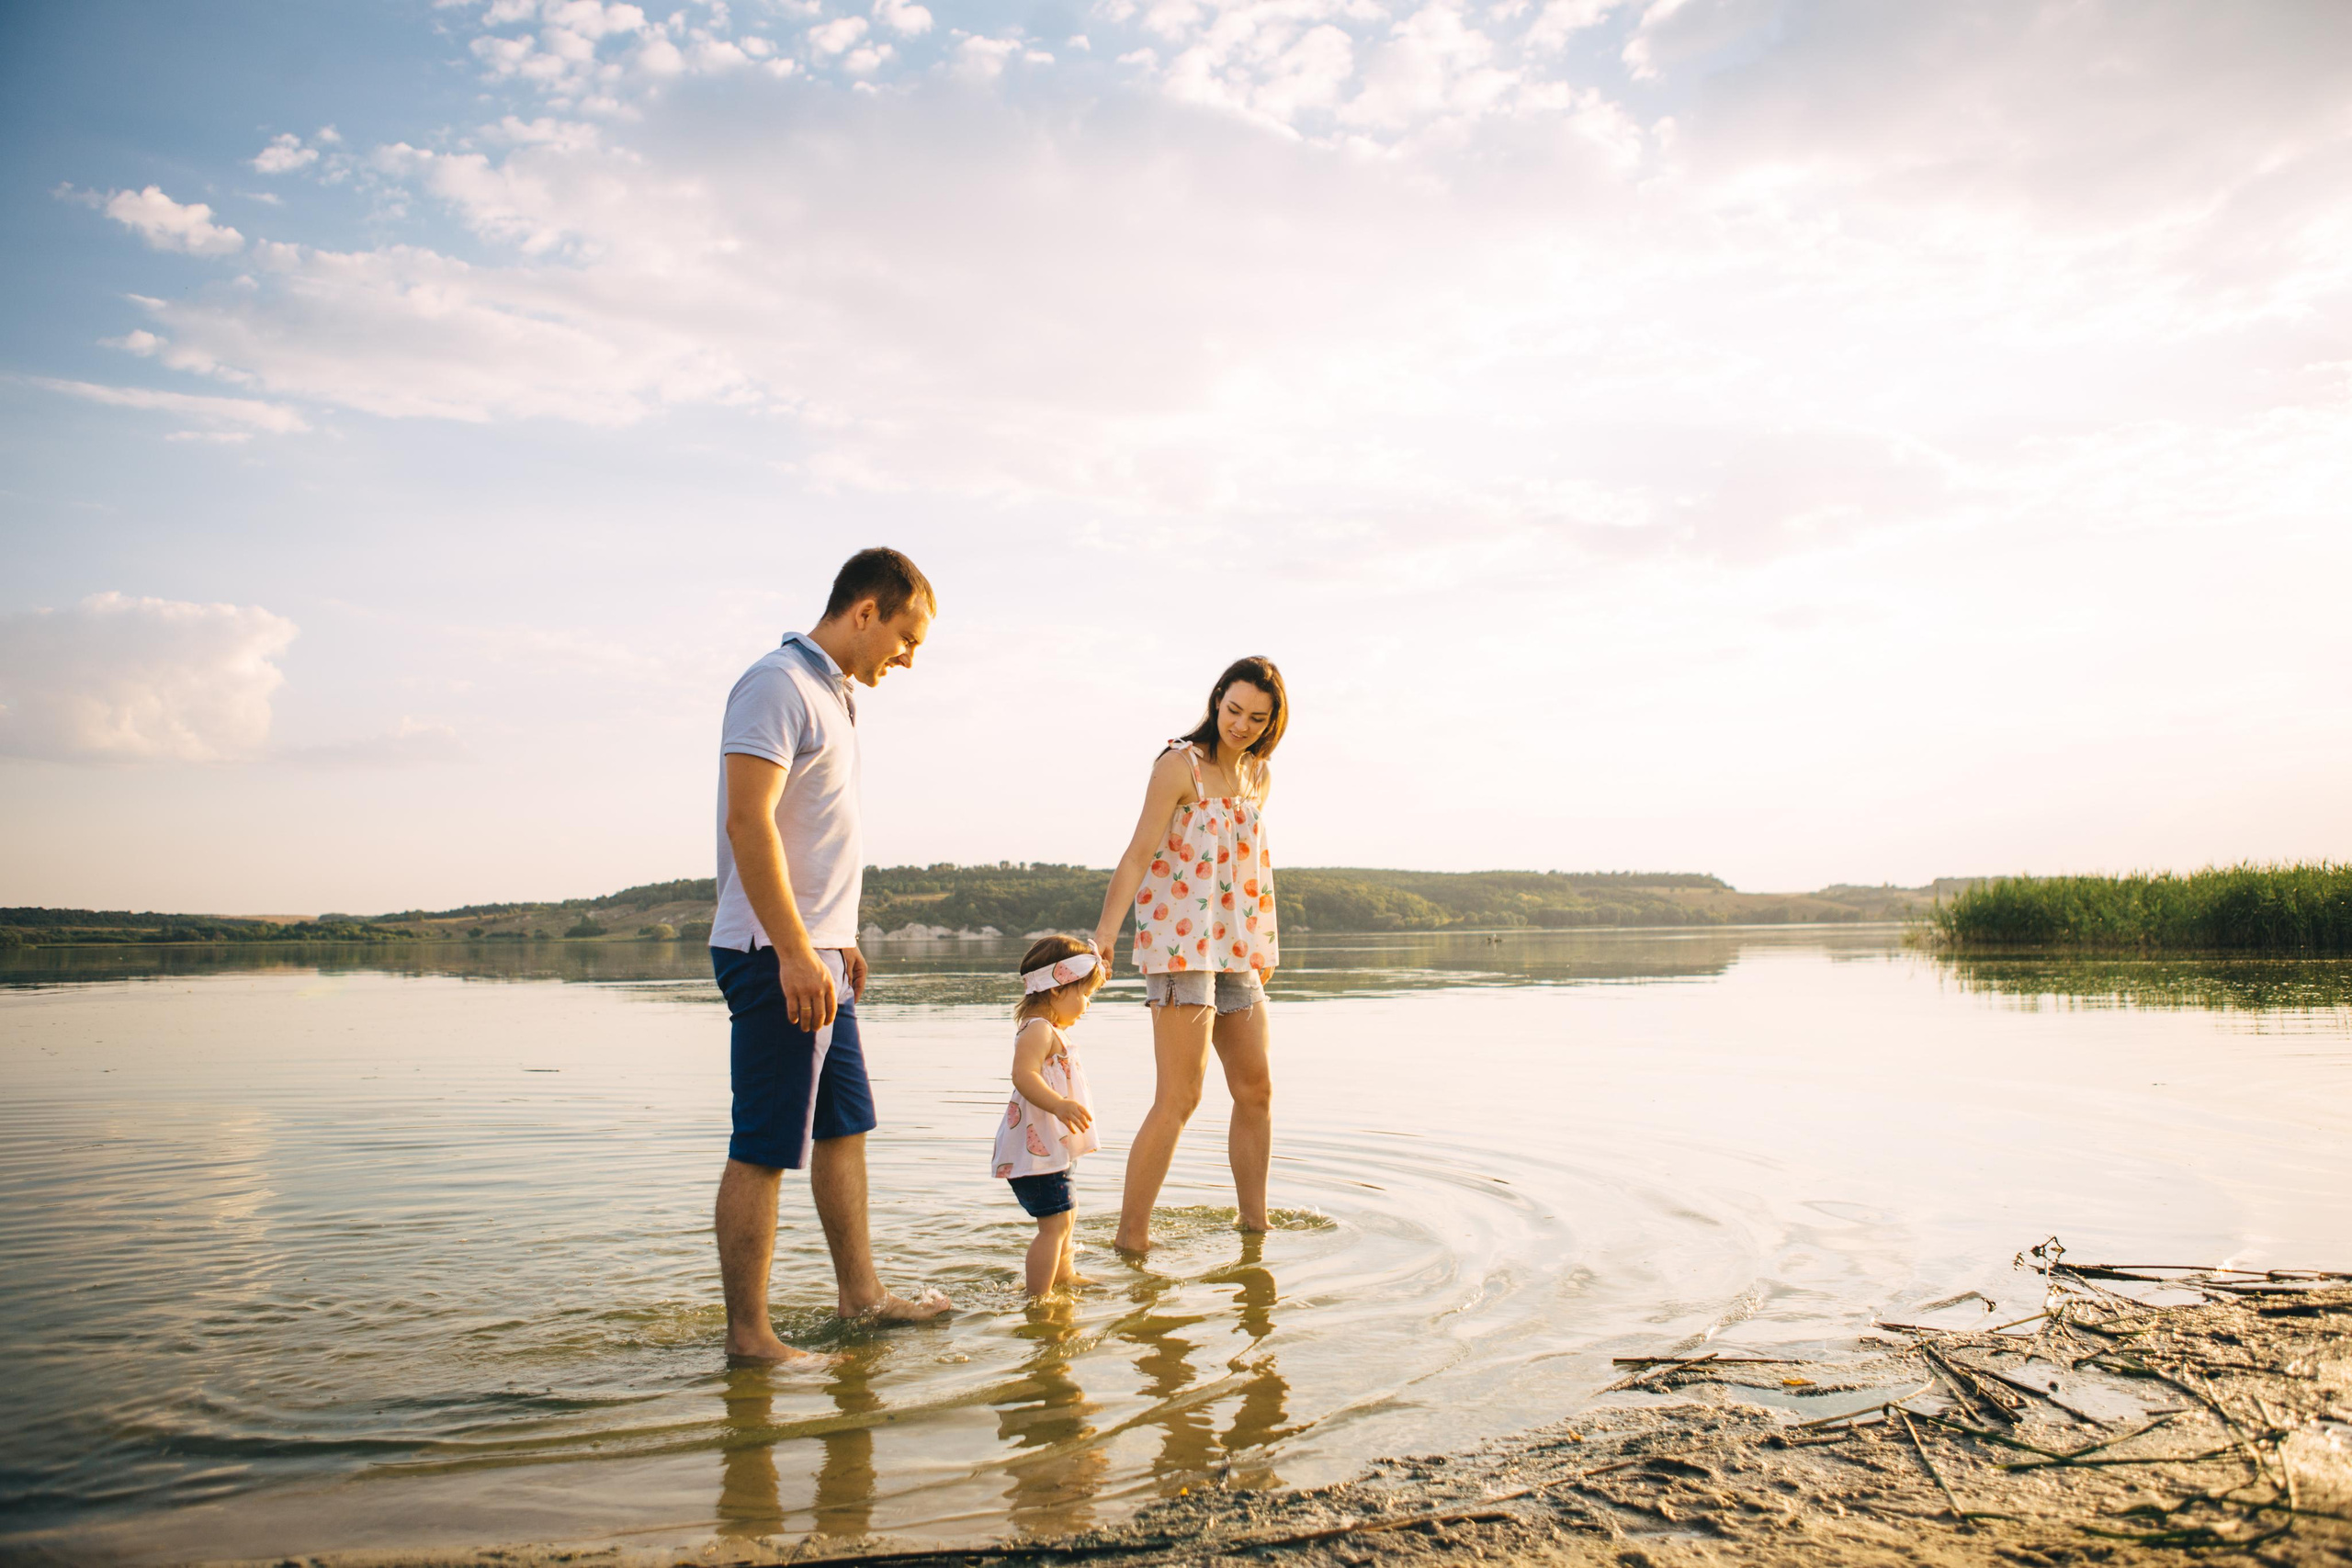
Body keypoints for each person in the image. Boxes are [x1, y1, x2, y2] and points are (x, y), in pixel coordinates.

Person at [708, 546, 952, 1364]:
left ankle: (863, 1296)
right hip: (775, 954)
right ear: (865, 612)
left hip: (819, 955)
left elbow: (816, 832)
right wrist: (794, 950)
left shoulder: (835, 696)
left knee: (844, 1128)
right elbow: (752, 822)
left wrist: (838, 940)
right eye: (906, 637)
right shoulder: (776, 684)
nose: (908, 657)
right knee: (767, 1145)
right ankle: (752, 1339)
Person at [1091, 657, 1286, 1254]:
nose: (1241, 724)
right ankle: (1131, 1238)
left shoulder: (1259, 776)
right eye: (1233, 710)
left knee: (1256, 1088)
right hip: (1180, 942)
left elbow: (1248, 865)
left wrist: (1263, 941)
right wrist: (1104, 934)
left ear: (1272, 720)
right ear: (1217, 698)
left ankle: (1255, 1229)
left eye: (1257, 717)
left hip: (1236, 946)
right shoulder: (1179, 766)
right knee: (1181, 1094)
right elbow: (1136, 854)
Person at [992, 936, 1107, 1296]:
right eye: (1084, 994)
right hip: (1037, 1153)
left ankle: (1064, 1275)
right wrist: (1058, 1104)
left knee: (1066, 1215)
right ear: (1057, 991)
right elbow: (1023, 1075)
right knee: (1053, 1225)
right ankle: (1037, 1296)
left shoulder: (1050, 1028)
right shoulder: (1038, 1030)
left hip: (1051, 1149)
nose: (1087, 1005)